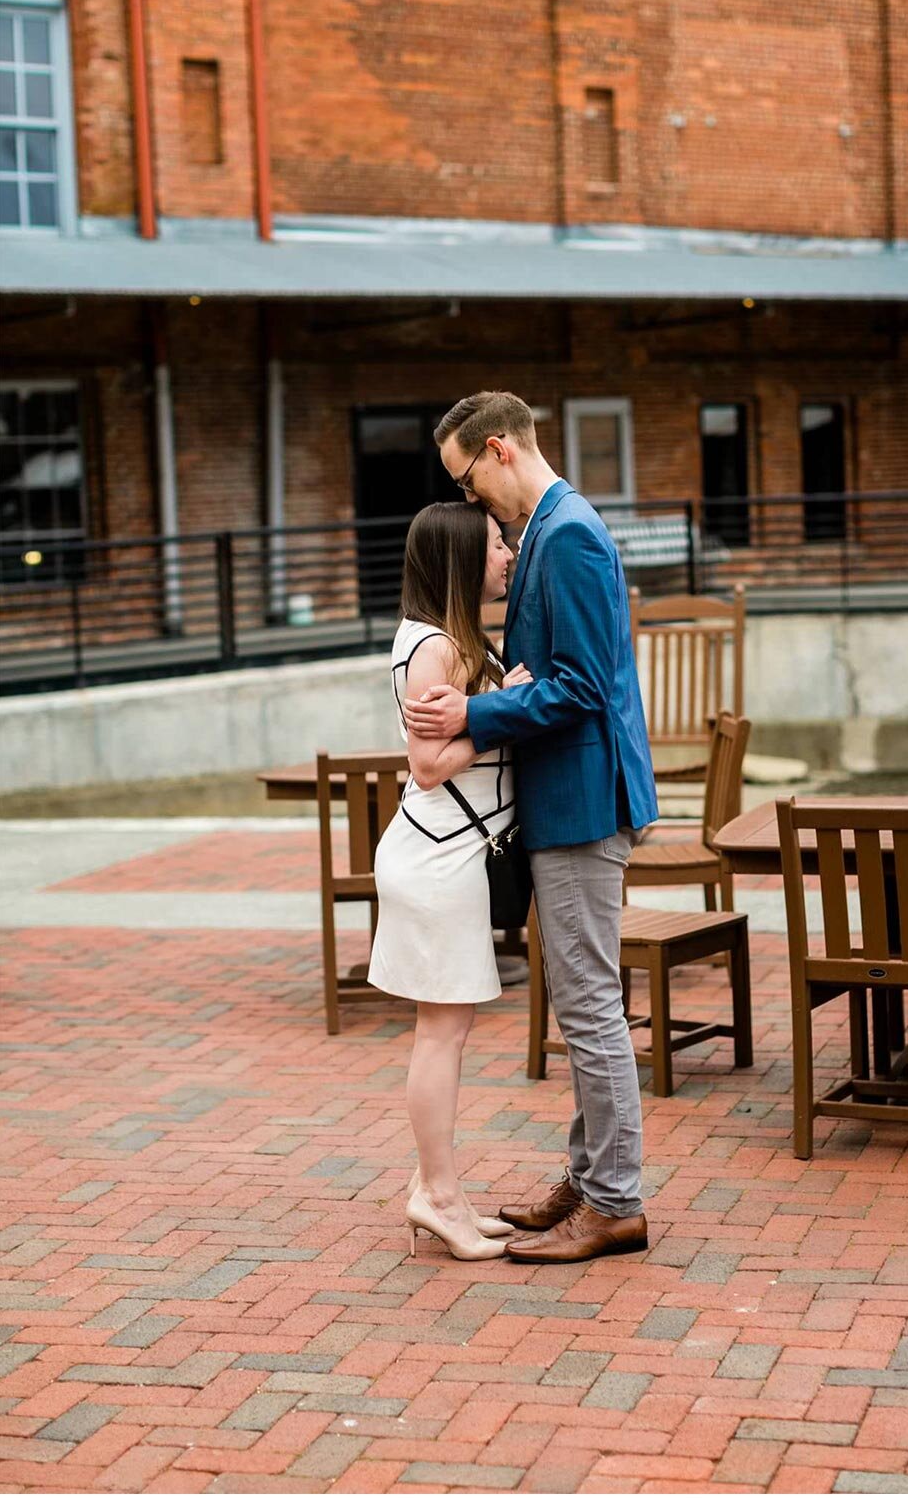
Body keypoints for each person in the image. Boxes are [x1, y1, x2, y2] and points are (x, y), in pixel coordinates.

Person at [403, 390, 660, 1265]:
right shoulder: (553, 532)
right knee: (584, 1001)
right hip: (567, 797)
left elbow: (583, 688)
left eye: (467, 479)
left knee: (589, 1007)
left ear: (500, 449)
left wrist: (475, 712)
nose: (471, 502)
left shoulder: (571, 533)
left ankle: (615, 1201)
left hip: (585, 802)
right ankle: (589, 1180)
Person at [369, 500, 531, 1262]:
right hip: (437, 858)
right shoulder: (432, 646)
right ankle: (435, 1195)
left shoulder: (449, 640)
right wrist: (501, 708)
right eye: (498, 543)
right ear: (463, 557)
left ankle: (444, 1191)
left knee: (449, 1030)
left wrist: (494, 703)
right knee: (442, 1033)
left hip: (448, 856)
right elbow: (429, 767)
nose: (508, 553)